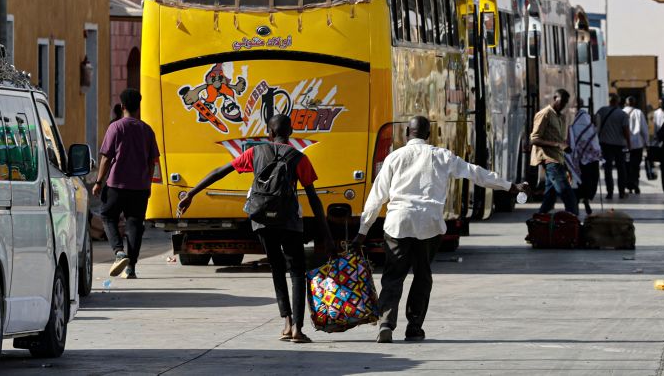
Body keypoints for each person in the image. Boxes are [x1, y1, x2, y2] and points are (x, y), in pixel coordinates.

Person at [351, 116, 527, 343]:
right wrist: (510, 186)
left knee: (393, 276)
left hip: (398, 222)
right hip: (429, 224)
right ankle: (414, 327)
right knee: (422, 276)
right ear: (428, 135)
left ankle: (386, 323)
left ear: (407, 133)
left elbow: (376, 198)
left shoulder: (394, 157)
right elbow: (476, 173)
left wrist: (362, 232)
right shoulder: (442, 156)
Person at [178, 114, 334, 344]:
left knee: (277, 268)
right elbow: (313, 199)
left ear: (269, 133)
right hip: (289, 222)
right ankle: (298, 330)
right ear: (290, 133)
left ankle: (287, 322)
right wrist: (327, 236)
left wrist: (191, 193)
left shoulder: (255, 152)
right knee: (297, 272)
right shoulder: (299, 158)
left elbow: (221, 171)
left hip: (262, 221)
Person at [92, 88, 161, 279]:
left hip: (116, 185)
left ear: (122, 106)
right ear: (139, 106)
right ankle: (131, 268)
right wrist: (147, 184)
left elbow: (106, 158)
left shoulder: (116, 127)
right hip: (139, 187)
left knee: (107, 215)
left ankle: (118, 252)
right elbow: (152, 161)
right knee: (135, 224)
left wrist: (98, 182)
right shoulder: (147, 130)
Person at [530, 89, 579, 215]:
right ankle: (574, 220)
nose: (563, 105)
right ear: (554, 98)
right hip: (549, 159)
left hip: (558, 159)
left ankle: (539, 220)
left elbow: (560, 141)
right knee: (567, 194)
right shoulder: (544, 114)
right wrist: (557, 144)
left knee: (549, 198)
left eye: (565, 103)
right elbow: (534, 139)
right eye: (561, 101)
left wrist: (566, 163)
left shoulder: (561, 117)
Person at [595, 93, 632, 200]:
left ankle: (609, 193)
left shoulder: (601, 111)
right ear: (618, 101)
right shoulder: (623, 114)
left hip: (605, 144)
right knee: (621, 169)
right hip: (619, 145)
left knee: (608, 169)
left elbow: (594, 123)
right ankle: (621, 192)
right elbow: (626, 131)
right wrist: (629, 144)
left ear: (609, 101)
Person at [568, 101, 602, 215]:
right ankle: (586, 200)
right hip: (591, 158)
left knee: (577, 182)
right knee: (589, 181)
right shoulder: (587, 119)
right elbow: (594, 138)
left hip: (577, 158)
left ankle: (576, 204)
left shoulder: (571, 121)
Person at [623, 97, 649, 194]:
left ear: (625, 103)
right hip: (637, 145)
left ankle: (628, 185)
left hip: (625, 145)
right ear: (634, 103)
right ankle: (635, 184)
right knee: (636, 165)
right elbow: (644, 129)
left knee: (626, 165)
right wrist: (647, 143)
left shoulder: (621, 112)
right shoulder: (639, 112)